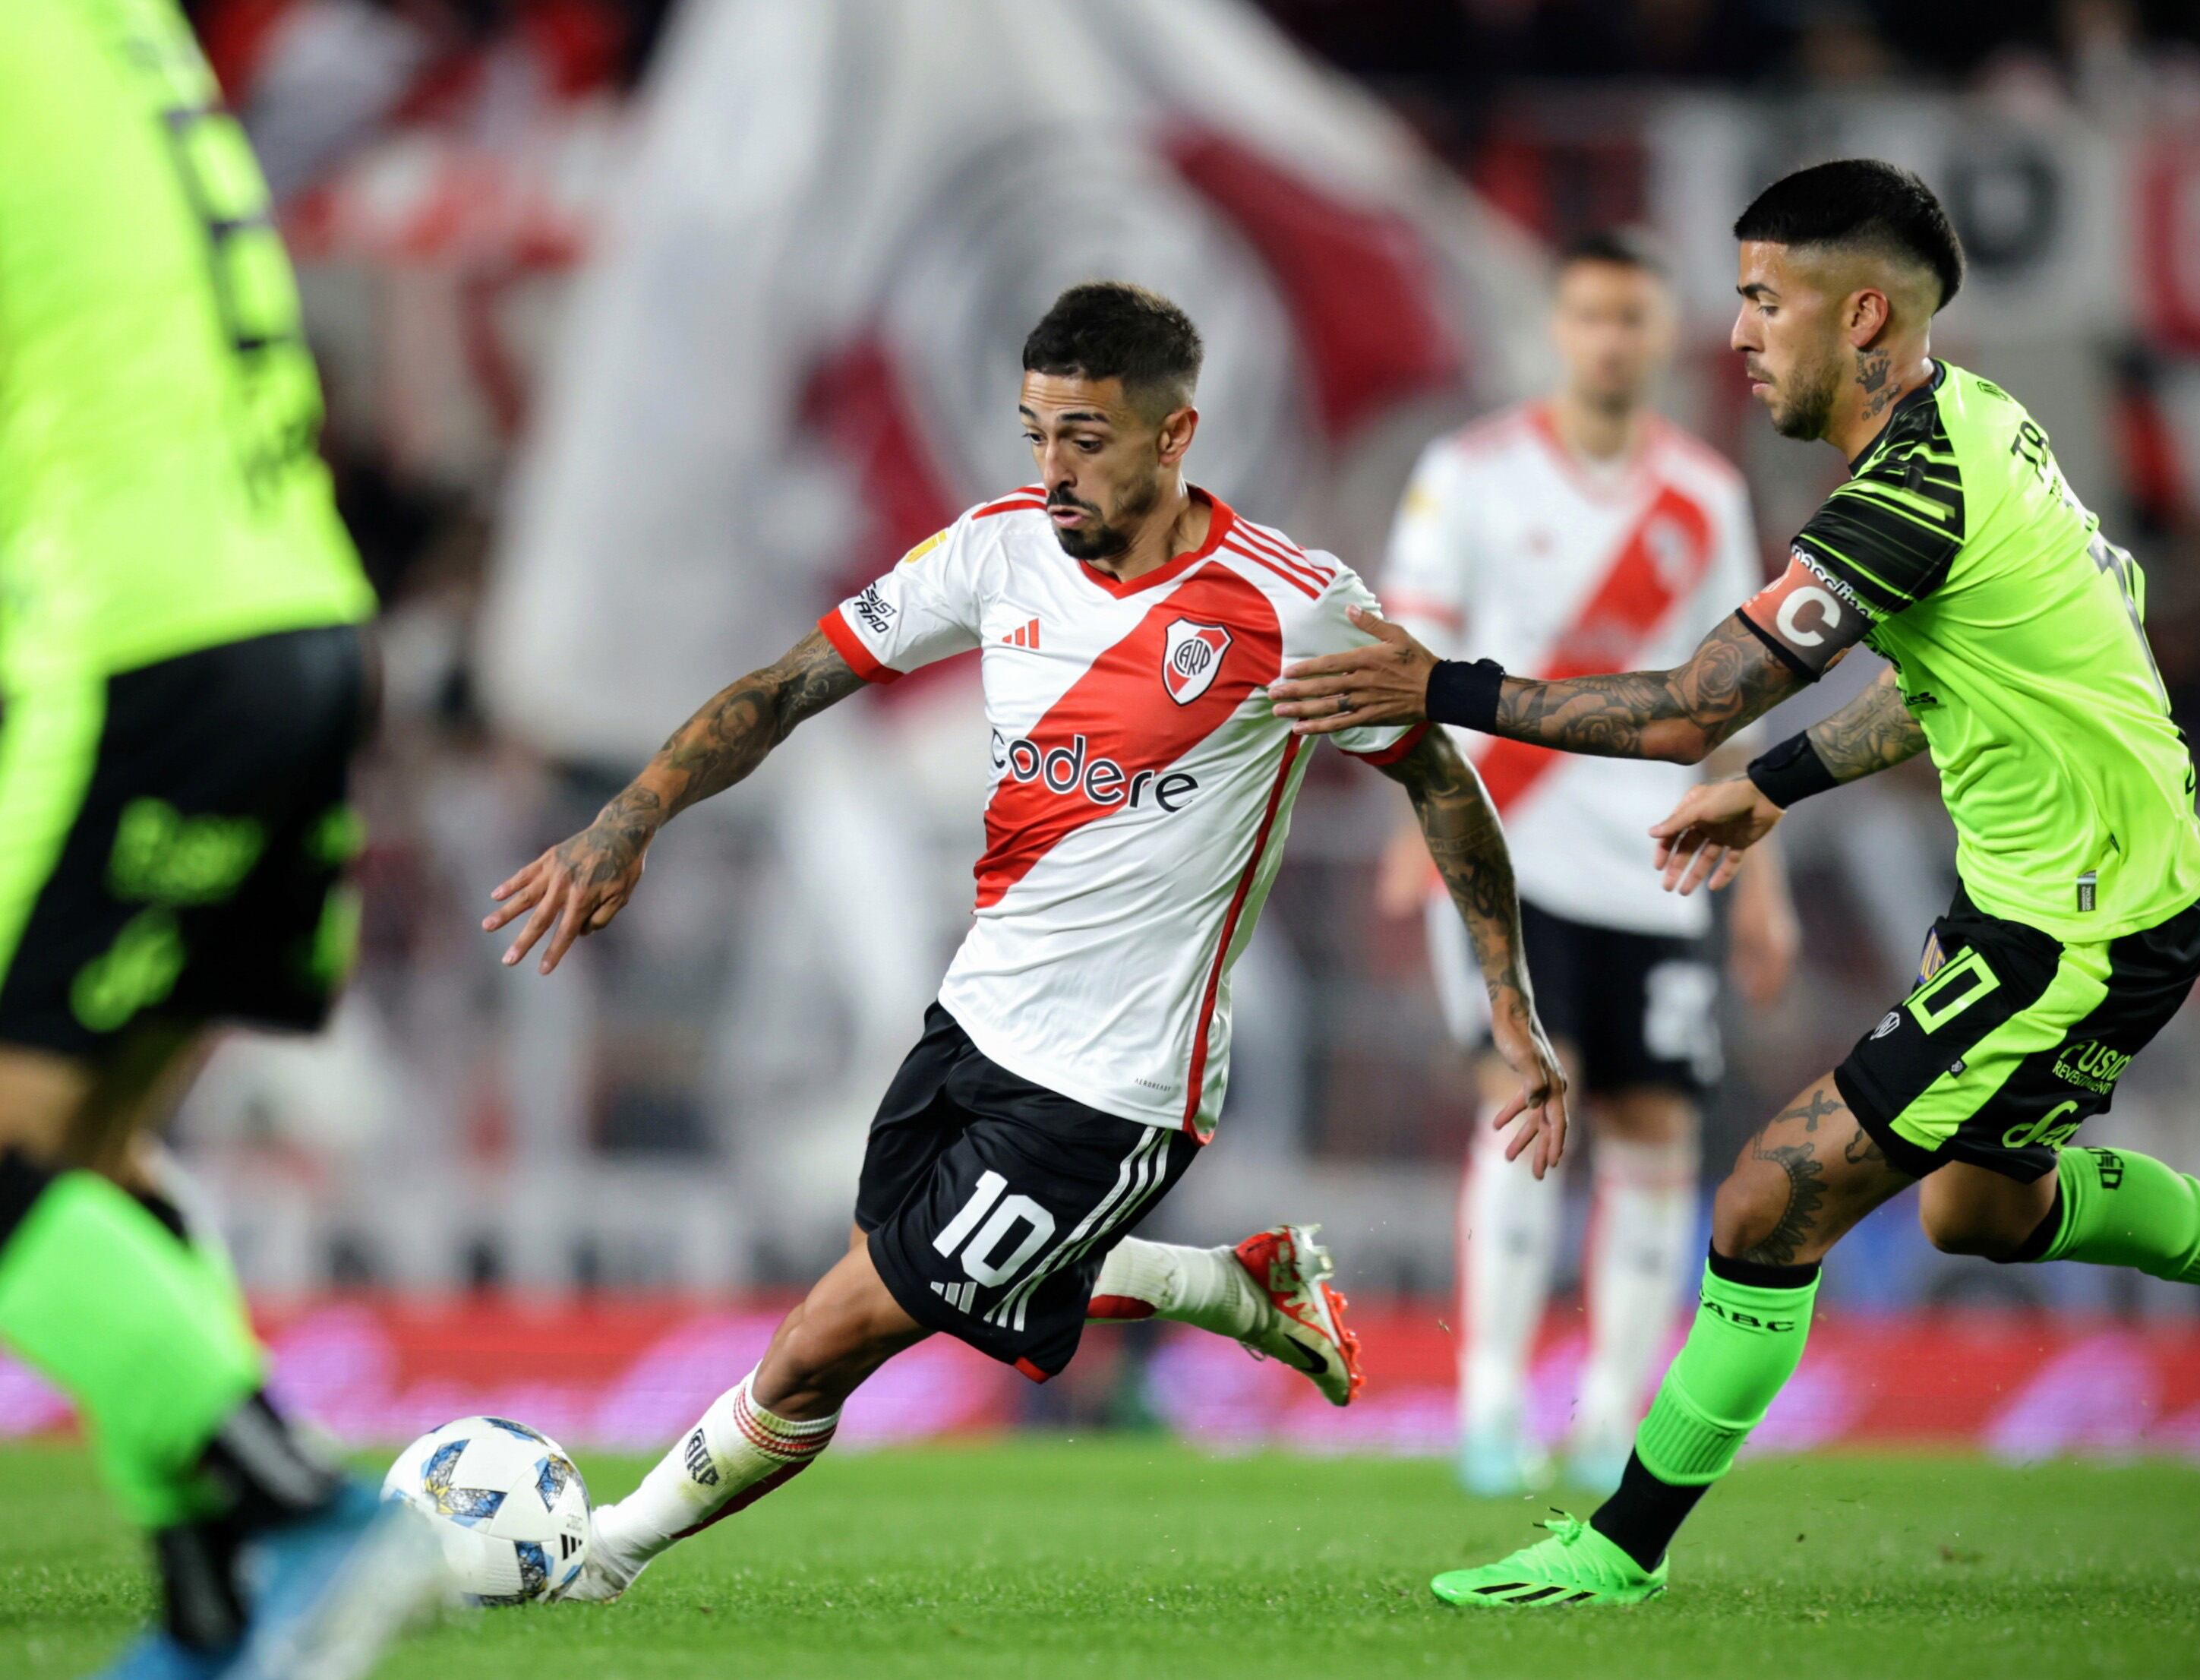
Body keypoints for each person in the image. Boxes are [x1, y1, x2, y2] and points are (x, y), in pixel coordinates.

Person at [1269, 159, 2200, 1608]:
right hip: (2062, 894)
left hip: (2078, 923)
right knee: (1979, 1215)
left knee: (1764, 1203)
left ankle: (1617, 1552)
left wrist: (1436, 684)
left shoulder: (1913, 487)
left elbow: (1690, 703)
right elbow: (1977, 666)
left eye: (1764, 299)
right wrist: (1776, 785)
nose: (1740, 332)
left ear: (1862, 314)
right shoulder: (1988, 425)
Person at [485, 281, 1570, 1602]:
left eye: (1086, 440)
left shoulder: (1288, 607)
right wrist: (626, 821)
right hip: (973, 1023)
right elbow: (784, 688)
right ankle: (1236, 1288)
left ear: (1174, 437)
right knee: (902, 1274)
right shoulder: (994, 553)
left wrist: (1508, 1006)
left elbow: (1439, 784)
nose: (1052, 470)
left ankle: (601, 1559)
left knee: (837, 1331)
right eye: (1033, 434)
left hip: (1118, 1081)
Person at [0, 2, 448, 1674]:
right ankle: (209, 1611)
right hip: (292, 615)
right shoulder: (108, 30)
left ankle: (292, 1506)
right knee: (89, 1142)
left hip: (143, 637)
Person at [1378, 231, 1798, 1496]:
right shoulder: (1469, 474)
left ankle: (1614, 1411)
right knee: (1518, 1108)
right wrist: (1419, 825)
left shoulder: (1704, 498)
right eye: (1591, 315)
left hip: (1658, 862)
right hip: (1510, 855)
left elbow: (1747, 695)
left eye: (1633, 319)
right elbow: (1410, 655)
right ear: (1557, 329)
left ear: (1660, 337)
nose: (1611, 339)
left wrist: (1763, 881)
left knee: (1657, 1126)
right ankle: (1491, 1407)